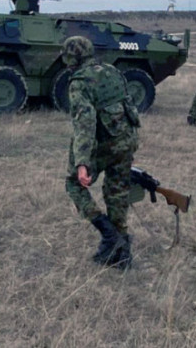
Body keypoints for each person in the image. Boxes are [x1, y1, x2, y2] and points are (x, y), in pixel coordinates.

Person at [61, 35, 141, 269]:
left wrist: (82, 162)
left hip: (105, 144)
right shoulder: (111, 70)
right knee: (116, 194)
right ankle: (122, 253)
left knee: (73, 184)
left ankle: (109, 236)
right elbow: (128, 105)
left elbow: (84, 124)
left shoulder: (79, 82)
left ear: (71, 58)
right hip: (126, 140)